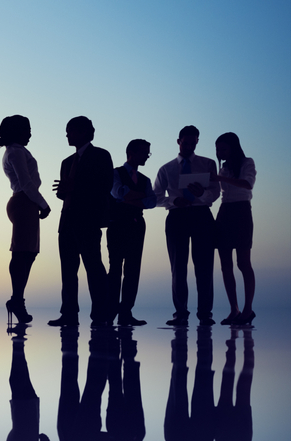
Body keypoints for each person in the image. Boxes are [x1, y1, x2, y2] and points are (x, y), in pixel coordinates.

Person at [48, 116, 114, 328]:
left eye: (71, 131)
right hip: (67, 221)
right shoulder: (67, 162)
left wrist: (73, 188)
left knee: (93, 267)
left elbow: (104, 186)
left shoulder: (101, 156)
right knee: (67, 270)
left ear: (84, 132)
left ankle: (101, 314)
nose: (67, 135)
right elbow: (64, 194)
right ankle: (69, 313)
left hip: (89, 221)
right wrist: (63, 191)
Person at [153, 125, 220, 326]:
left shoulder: (208, 164)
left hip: (202, 215)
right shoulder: (166, 169)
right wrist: (173, 202)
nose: (190, 145)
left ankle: (205, 314)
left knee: (205, 266)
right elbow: (155, 198)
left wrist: (202, 194)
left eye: (193, 142)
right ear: (178, 141)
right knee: (178, 267)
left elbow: (216, 192)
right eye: (186, 142)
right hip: (177, 217)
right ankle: (181, 313)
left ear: (197, 142)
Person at [0, 115, 50, 325]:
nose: (30, 133)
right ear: (17, 131)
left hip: (25, 202)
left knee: (27, 253)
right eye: (27, 129)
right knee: (22, 252)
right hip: (24, 202)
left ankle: (17, 299)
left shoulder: (16, 151)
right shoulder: (16, 152)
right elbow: (26, 183)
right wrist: (43, 204)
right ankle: (17, 300)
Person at [107, 139, 156, 327]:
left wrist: (129, 197)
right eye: (145, 153)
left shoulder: (145, 179)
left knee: (133, 269)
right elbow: (118, 193)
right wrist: (140, 197)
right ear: (132, 153)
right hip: (117, 224)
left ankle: (126, 312)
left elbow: (152, 202)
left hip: (137, 225)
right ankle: (110, 312)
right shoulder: (115, 173)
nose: (147, 156)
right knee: (115, 268)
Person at [213, 132, 256, 326]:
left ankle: (248, 309)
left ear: (233, 147)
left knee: (243, 262)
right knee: (225, 264)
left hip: (241, 211)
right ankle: (234, 309)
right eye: (218, 149)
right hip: (225, 211)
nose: (220, 152)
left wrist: (221, 178)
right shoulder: (224, 167)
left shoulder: (247, 163)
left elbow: (248, 184)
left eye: (223, 148)